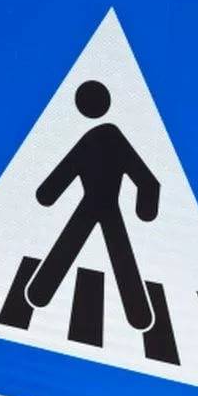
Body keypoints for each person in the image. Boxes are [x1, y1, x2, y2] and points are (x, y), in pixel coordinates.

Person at [25, 80, 160, 331]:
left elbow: (62, 175)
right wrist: (146, 208)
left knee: (75, 246)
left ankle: (40, 292)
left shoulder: (100, 139)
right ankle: (138, 312)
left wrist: (48, 194)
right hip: (102, 206)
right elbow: (147, 180)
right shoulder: (106, 138)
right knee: (118, 254)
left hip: (96, 205)